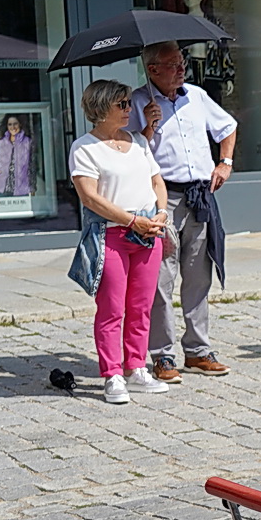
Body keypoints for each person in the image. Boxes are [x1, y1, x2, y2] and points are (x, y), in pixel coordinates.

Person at [130, 41, 236, 383]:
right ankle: (162, 355)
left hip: (199, 196)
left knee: (198, 275)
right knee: (161, 279)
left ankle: (198, 351)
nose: (181, 69)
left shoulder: (196, 95)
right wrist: (148, 128)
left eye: (181, 62)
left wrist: (225, 162)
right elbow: (129, 151)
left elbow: (228, 127)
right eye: (172, 64)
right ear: (152, 70)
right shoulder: (137, 101)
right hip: (162, 198)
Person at [69, 80, 170, 405]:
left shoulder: (139, 141)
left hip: (148, 232)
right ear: (100, 109)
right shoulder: (84, 148)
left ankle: (136, 367)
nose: (130, 109)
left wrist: (162, 212)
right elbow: (90, 198)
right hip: (112, 233)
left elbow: (157, 182)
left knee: (141, 306)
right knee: (112, 308)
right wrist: (131, 220)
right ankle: (112, 373)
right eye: (122, 104)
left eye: (129, 103)